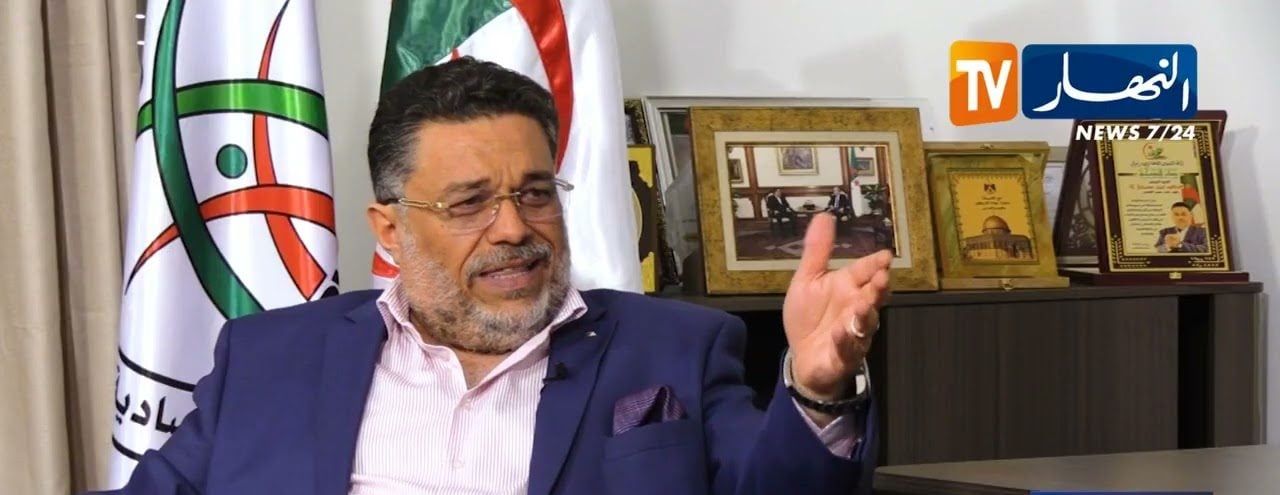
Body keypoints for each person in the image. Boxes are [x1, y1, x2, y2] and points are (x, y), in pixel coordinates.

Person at [92, 57, 890, 495]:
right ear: (390, 228)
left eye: (535, 193)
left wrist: (817, 390)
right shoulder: (269, 358)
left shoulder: (673, 346)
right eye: (470, 202)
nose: (513, 227)